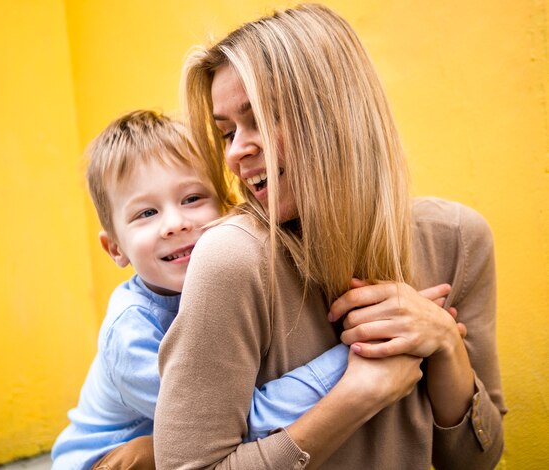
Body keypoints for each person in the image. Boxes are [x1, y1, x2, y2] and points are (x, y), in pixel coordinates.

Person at [154, 4, 507, 469]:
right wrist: (359, 395)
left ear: (337, 113)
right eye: (227, 133)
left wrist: (445, 343)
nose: (237, 151)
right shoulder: (233, 258)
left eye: (259, 117)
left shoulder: (458, 240)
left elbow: (477, 460)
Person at [50, 110, 352, 470]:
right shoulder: (131, 333)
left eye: (192, 199)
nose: (175, 224)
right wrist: (350, 359)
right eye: (146, 213)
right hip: (106, 462)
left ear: (227, 207)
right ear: (115, 248)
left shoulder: (235, 279)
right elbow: (231, 421)